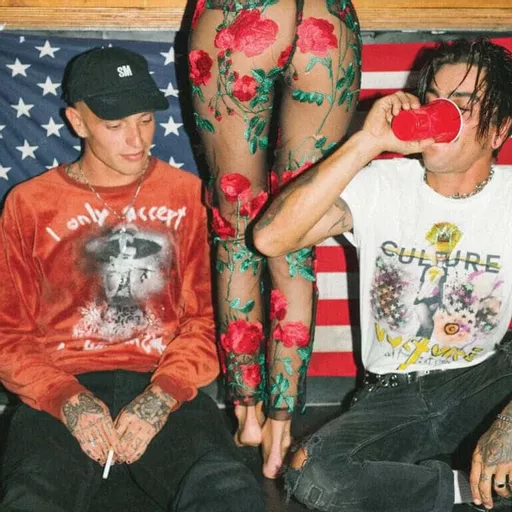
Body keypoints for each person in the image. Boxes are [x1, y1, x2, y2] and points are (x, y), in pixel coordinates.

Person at [0, 46, 266, 512]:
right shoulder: (29, 204)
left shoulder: (187, 196)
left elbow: (208, 321)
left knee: (228, 490)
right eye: (115, 125)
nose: (136, 140)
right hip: (61, 387)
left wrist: (160, 398)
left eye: (145, 120)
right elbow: (8, 333)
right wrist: (67, 399)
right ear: (77, 122)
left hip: (164, 383)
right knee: (30, 497)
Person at [253, 38, 512, 511]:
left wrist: (509, 425)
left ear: (499, 130)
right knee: (313, 471)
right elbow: (270, 238)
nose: (441, 113)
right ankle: (468, 491)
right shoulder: (382, 185)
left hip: (483, 378)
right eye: (434, 99)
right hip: (394, 392)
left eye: (463, 104)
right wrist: (367, 142)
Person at [189, 0, 361, 478]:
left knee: (236, 228)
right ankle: (281, 428)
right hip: (329, 17)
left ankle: (248, 415)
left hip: (240, 11)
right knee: (296, 235)